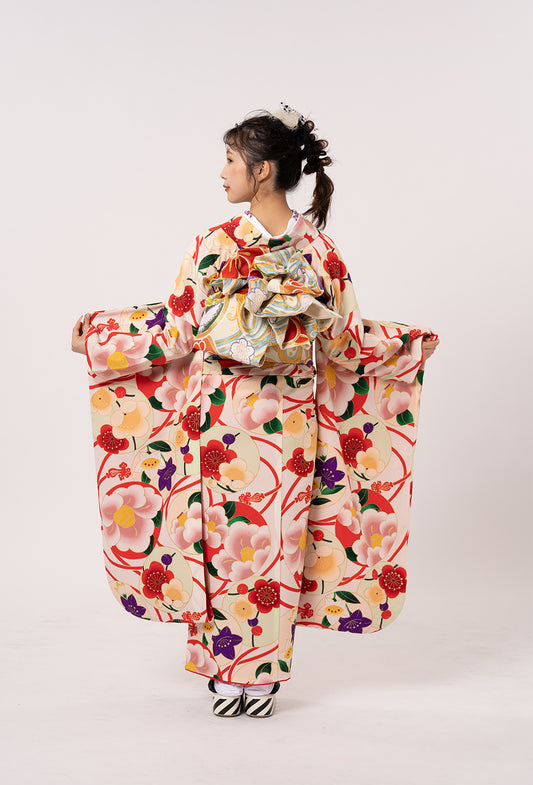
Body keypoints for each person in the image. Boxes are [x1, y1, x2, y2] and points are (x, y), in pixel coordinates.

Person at [72, 103, 439, 718]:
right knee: (220, 539)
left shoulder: (309, 251)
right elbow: (181, 328)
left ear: (262, 169)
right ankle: (225, 668)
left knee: (274, 543)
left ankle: (261, 676)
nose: (222, 173)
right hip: (220, 420)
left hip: (282, 423)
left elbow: (341, 341)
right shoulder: (233, 245)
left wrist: (407, 345)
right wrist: (102, 337)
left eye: (230, 160)